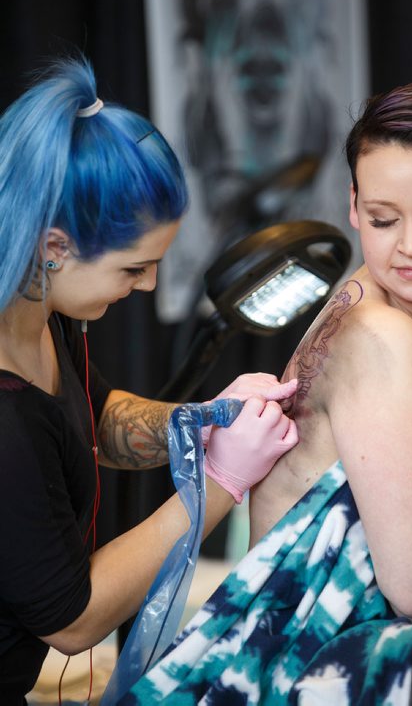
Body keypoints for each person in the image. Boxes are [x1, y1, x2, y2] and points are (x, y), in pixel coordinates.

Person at [124, 82, 412, 705]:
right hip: (330, 649)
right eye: (382, 219)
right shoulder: (378, 335)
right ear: (353, 207)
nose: (410, 245)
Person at [0, 57, 299, 705]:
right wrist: (217, 484)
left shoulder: (39, 311)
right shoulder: (4, 415)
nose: (149, 286)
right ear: (54, 247)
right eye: (134, 267)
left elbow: (97, 415)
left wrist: (197, 421)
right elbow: (72, 618)